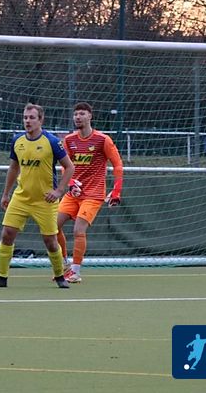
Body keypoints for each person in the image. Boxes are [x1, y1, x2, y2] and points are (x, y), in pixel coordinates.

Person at [0, 103, 75, 289]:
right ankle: (1, 277)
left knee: (50, 241)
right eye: (25, 118)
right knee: (7, 234)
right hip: (21, 198)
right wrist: (6, 194)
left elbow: (69, 167)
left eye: (32, 118)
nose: (27, 121)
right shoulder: (17, 141)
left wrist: (59, 191)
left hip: (45, 200)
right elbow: (13, 168)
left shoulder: (52, 142)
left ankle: (60, 276)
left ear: (40, 120)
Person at [56, 102, 124, 283]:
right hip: (73, 194)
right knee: (52, 227)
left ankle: (75, 272)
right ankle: (64, 264)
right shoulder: (69, 140)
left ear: (90, 116)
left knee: (79, 230)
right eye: (76, 114)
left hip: (93, 194)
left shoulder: (103, 140)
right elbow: (64, 166)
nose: (78, 117)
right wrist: (71, 183)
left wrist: (116, 191)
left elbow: (117, 165)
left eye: (82, 114)